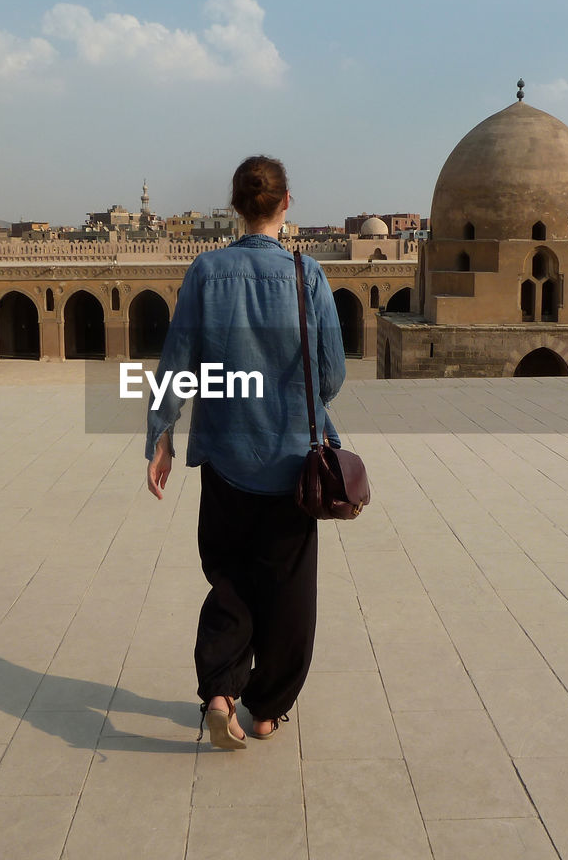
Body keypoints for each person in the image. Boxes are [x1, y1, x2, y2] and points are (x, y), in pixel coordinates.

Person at [145, 155, 346, 749]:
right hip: (291, 466)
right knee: (288, 594)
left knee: (229, 581)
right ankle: (263, 711)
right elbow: (331, 374)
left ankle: (219, 691)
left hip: (227, 463)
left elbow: (177, 363)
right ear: (287, 203)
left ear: (235, 207)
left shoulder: (205, 273)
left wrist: (162, 433)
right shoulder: (307, 275)